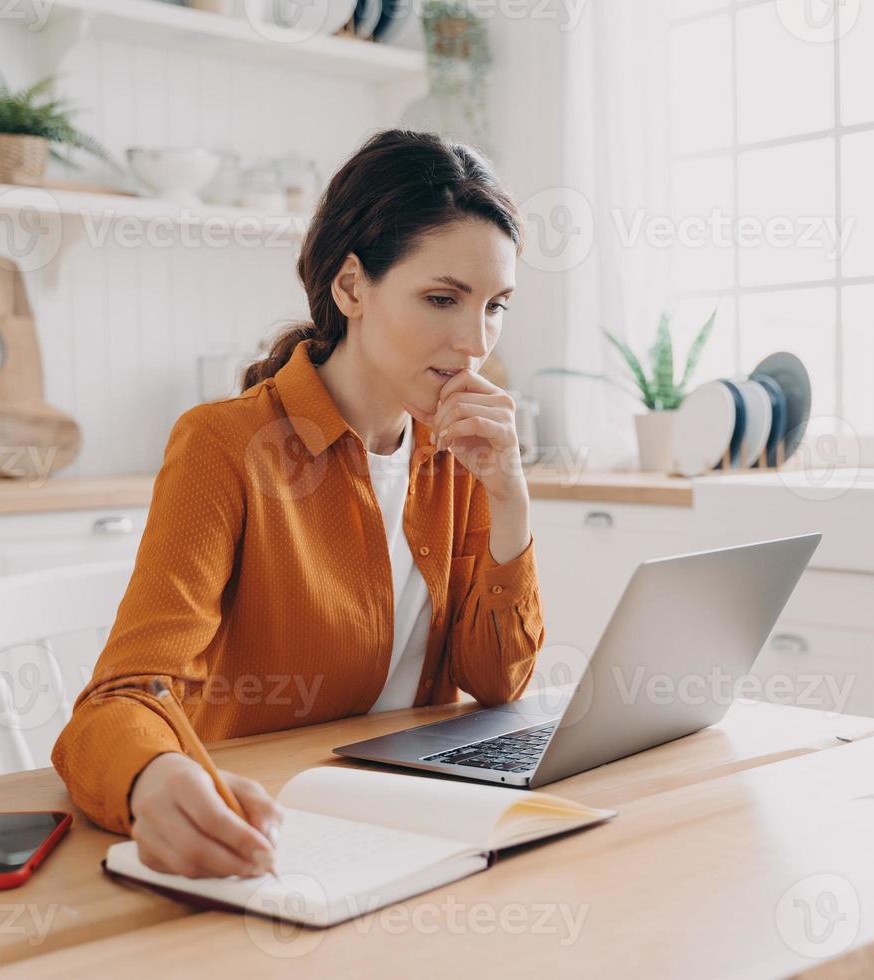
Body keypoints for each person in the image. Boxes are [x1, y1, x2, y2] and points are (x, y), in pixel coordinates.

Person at [51, 129, 543, 879]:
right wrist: (155, 777)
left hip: (418, 819)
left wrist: (510, 494)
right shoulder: (225, 445)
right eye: (442, 298)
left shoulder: (457, 450)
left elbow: (498, 679)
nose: (474, 341)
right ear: (351, 288)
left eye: (496, 306)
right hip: (270, 829)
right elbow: (118, 700)